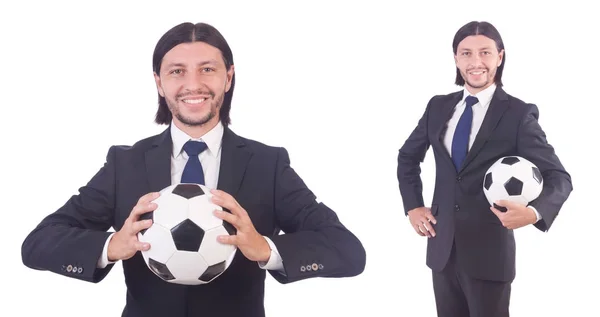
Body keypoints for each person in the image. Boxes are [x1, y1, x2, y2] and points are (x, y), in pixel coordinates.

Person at [21, 22, 366, 317]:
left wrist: (267, 248)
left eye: (207, 69)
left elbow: (348, 252)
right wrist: (111, 246)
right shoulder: (124, 164)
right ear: (159, 82)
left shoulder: (267, 164)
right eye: (177, 71)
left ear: (228, 78)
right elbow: (37, 244)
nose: (193, 84)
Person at [396, 21, 572, 317]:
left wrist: (534, 212)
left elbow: (559, 177)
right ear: (455, 58)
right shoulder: (438, 107)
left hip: (489, 256)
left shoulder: (517, 114)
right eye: (466, 53)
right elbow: (407, 158)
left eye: (485, 53)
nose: (475, 62)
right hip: (442, 251)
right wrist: (413, 206)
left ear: (500, 57)